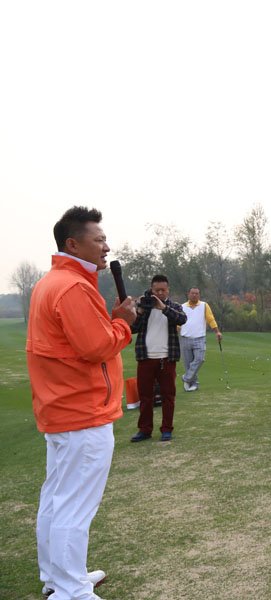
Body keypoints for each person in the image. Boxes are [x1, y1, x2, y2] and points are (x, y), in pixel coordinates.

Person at [27, 206, 136, 599]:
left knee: (57, 500)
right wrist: (122, 321)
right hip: (82, 413)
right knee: (74, 507)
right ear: (73, 244)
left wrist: (113, 320)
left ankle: (58, 578)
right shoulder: (72, 287)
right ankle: (71, 590)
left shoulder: (52, 282)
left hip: (63, 410)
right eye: (99, 239)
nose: (106, 246)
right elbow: (96, 346)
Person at [130, 274, 187, 442]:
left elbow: (182, 319)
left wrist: (163, 308)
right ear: (151, 290)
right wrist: (140, 311)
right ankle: (144, 430)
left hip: (167, 358)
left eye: (163, 290)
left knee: (168, 396)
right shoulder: (144, 306)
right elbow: (132, 329)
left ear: (168, 290)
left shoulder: (174, 306)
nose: (160, 293)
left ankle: (167, 429)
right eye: (157, 290)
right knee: (145, 396)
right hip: (145, 358)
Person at [179, 286, 222, 392]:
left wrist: (217, 331)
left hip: (199, 338)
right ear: (188, 294)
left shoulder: (204, 305)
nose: (194, 295)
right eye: (192, 293)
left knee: (200, 359)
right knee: (188, 364)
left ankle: (186, 378)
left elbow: (210, 319)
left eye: (197, 293)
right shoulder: (182, 307)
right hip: (185, 338)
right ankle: (193, 384)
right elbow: (178, 324)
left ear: (199, 295)